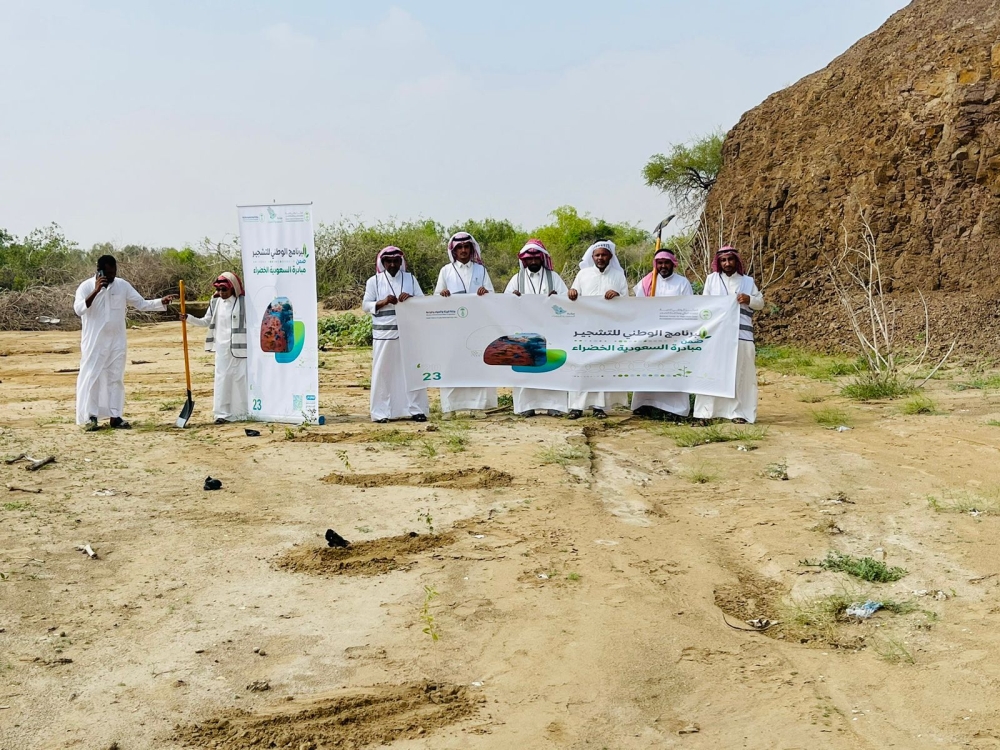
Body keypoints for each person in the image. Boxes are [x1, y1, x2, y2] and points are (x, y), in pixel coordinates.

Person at [73, 255, 176, 430]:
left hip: (117, 340)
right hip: (94, 342)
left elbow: (141, 304)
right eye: (108, 273)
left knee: (115, 377)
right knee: (93, 377)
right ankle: (91, 417)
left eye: (114, 272)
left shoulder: (122, 285)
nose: (112, 276)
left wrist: (161, 302)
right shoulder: (85, 287)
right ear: (99, 270)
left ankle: (115, 416)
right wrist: (96, 290)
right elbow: (79, 309)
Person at [693, 246, 764, 424]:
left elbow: (760, 303)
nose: (727, 263)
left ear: (736, 261)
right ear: (719, 262)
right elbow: (705, 305)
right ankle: (706, 413)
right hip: (716, 336)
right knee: (711, 373)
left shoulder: (748, 281)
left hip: (742, 335)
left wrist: (749, 299)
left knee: (741, 374)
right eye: (723, 260)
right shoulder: (711, 280)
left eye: (730, 259)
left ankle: (739, 413)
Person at [360, 246, 429, 423]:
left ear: (401, 261)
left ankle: (416, 410)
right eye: (388, 261)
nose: (392, 264)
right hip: (384, 335)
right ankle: (381, 412)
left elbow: (423, 302)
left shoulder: (411, 279)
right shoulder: (373, 281)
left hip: (409, 334)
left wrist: (411, 298)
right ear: (382, 263)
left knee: (412, 371)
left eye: (395, 261)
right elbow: (366, 305)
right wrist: (382, 302)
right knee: (383, 373)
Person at [503, 239, 569, 417]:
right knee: (526, 367)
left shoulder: (553, 277)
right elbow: (505, 302)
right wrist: (513, 298)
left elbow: (566, 302)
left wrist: (558, 298)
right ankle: (526, 405)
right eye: (529, 259)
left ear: (542, 258)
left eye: (536, 258)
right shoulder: (517, 279)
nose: (532, 262)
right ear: (524, 260)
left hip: (551, 330)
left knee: (552, 366)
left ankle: (554, 405)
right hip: (525, 332)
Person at [434, 231, 497, 416]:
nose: (463, 250)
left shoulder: (481, 270)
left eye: (466, 247)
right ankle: (450, 407)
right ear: (454, 251)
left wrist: (485, 292)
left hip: (477, 325)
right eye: (459, 247)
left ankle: (478, 407)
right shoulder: (446, 271)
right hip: (453, 328)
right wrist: (443, 295)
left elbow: (493, 296)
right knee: (451, 365)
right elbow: (436, 296)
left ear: (471, 248)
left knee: (478, 364)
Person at [566, 240, 629, 419]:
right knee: (581, 366)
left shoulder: (618, 275)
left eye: (604, 255)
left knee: (602, 367)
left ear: (610, 256)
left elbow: (627, 300)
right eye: (597, 255)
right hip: (584, 329)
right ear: (592, 257)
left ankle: (599, 407)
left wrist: (618, 296)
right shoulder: (583, 274)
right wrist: (571, 293)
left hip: (607, 330)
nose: (600, 258)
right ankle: (576, 407)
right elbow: (573, 294)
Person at [630, 249, 694, 420]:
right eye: (659, 263)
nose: (663, 266)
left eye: (666, 263)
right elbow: (638, 307)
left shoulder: (682, 283)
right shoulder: (647, 283)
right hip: (651, 334)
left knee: (674, 370)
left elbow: (689, 308)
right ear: (655, 264)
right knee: (648, 368)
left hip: (674, 335)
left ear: (673, 263)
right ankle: (644, 404)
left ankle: (676, 408)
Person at [183, 272, 249, 424]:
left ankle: (243, 413)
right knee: (222, 380)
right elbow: (206, 321)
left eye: (224, 290)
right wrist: (188, 318)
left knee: (240, 379)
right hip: (222, 349)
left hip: (240, 349)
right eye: (218, 290)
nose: (221, 293)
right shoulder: (215, 302)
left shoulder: (243, 302)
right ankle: (222, 414)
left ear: (232, 288)